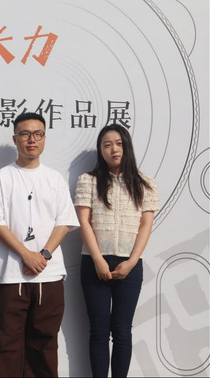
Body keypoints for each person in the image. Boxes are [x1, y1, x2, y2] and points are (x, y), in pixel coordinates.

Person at [0, 112, 79, 377]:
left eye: (38, 134)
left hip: (49, 276)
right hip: (9, 275)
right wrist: (26, 254)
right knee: (4, 347)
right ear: (15, 139)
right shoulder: (1, 178)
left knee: (45, 347)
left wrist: (43, 254)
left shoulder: (55, 179)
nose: (31, 139)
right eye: (25, 134)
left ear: (44, 138)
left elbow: (64, 222)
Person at [74, 124, 159, 377]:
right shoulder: (88, 181)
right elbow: (84, 222)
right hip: (94, 263)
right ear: (100, 150)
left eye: (119, 143)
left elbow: (145, 225)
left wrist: (132, 261)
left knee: (122, 331)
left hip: (129, 265)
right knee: (99, 331)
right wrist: (98, 260)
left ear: (127, 147)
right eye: (107, 145)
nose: (114, 149)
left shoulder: (145, 183)